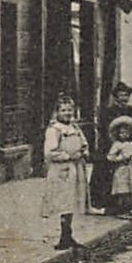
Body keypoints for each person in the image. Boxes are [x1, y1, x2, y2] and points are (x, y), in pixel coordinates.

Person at [42, 97, 90, 249]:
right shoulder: (54, 130)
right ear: (57, 112)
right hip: (62, 171)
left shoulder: (75, 128)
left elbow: (84, 143)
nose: (67, 113)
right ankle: (64, 237)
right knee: (64, 203)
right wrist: (68, 156)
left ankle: (68, 235)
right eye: (63, 110)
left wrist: (84, 151)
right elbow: (50, 153)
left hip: (76, 169)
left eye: (70, 110)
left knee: (72, 202)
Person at [90, 82, 132, 213]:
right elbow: (104, 129)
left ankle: (124, 204)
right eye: (121, 95)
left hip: (127, 146)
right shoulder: (108, 111)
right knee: (106, 176)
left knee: (125, 177)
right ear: (116, 97)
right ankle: (102, 204)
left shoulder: (130, 110)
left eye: (126, 95)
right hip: (110, 146)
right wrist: (115, 145)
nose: (124, 98)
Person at [104, 115, 132, 218]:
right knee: (122, 190)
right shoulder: (117, 145)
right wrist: (120, 158)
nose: (124, 135)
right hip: (121, 170)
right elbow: (110, 157)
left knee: (130, 190)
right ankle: (121, 210)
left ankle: (130, 208)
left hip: (130, 170)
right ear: (118, 134)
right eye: (122, 133)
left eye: (126, 133)